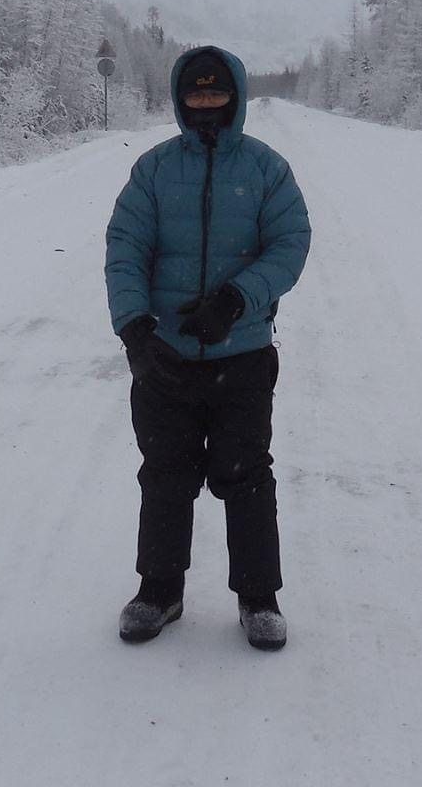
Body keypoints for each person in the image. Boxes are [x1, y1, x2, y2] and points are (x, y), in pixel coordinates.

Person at [104, 45, 312, 651]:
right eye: (194, 93)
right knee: (165, 474)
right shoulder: (154, 170)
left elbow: (290, 244)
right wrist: (135, 330)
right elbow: (125, 249)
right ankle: (159, 590)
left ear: (236, 96)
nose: (205, 104)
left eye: (215, 92)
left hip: (243, 355)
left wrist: (235, 300)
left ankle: (258, 599)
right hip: (164, 358)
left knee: (245, 474)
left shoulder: (266, 169)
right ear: (179, 98)